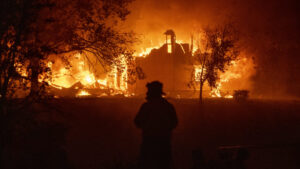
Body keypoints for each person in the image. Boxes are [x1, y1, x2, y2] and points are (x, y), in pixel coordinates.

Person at [134, 81, 178, 169]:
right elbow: (174, 122)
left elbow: (137, 122)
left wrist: (147, 127)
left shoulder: (146, 106)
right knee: (163, 164)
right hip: (164, 142)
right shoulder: (168, 106)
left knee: (147, 164)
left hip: (148, 142)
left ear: (151, 93)